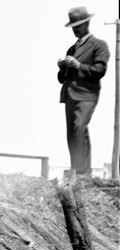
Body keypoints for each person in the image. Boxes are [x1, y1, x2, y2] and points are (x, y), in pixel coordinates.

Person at [57, 6, 110, 179]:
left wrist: (78, 65)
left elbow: (99, 70)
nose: (75, 29)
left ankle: (81, 173)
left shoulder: (99, 45)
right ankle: (78, 172)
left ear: (87, 23)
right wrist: (62, 67)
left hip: (87, 94)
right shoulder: (71, 50)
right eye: (73, 26)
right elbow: (61, 78)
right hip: (70, 94)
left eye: (78, 25)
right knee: (73, 133)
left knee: (79, 127)